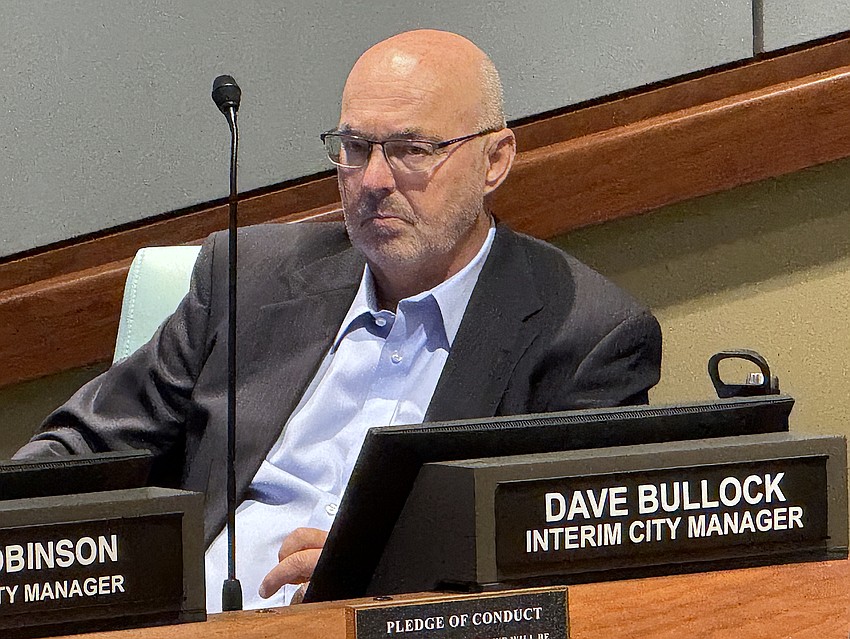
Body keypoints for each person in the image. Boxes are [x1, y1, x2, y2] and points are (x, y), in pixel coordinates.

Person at [14, 30, 662, 610]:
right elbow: (78, 453)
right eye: (354, 148)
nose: (373, 180)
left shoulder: (585, 337)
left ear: (494, 160)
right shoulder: (246, 278)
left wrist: (381, 574)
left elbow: (571, 565)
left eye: (411, 149)